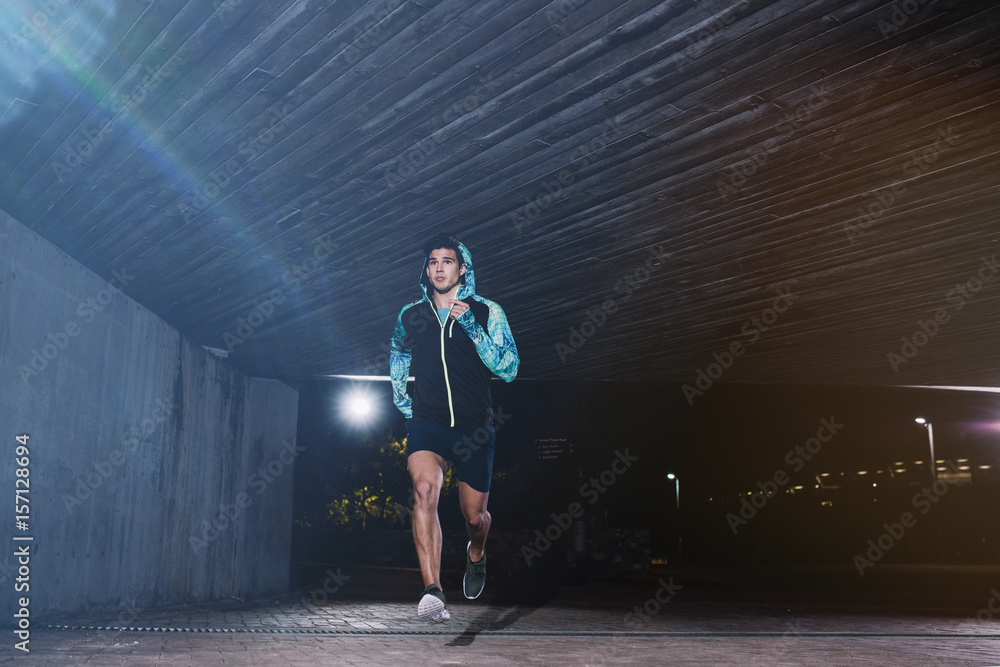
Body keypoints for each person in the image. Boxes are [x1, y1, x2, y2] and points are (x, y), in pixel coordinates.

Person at [389, 232, 519, 623]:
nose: (439, 268)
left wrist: (473, 330)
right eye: (432, 262)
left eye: (447, 261)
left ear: (462, 268)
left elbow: (509, 368)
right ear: (426, 270)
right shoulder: (410, 314)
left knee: (474, 517)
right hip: (427, 422)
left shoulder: (486, 311)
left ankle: (476, 552)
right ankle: (433, 591)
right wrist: (401, 397)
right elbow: (398, 349)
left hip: (474, 427)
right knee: (424, 490)